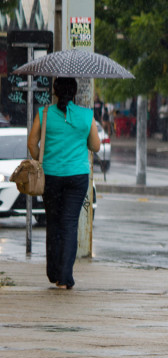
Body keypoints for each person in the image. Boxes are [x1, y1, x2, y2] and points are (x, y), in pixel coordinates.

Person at [27, 77, 101, 289]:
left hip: (51, 176)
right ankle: (64, 277)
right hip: (77, 177)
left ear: (55, 91)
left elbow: (32, 143)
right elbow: (95, 146)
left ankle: (53, 272)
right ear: (75, 92)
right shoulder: (86, 115)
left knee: (54, 222)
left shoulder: (45, 113)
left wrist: (41, 159)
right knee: (69, 224)